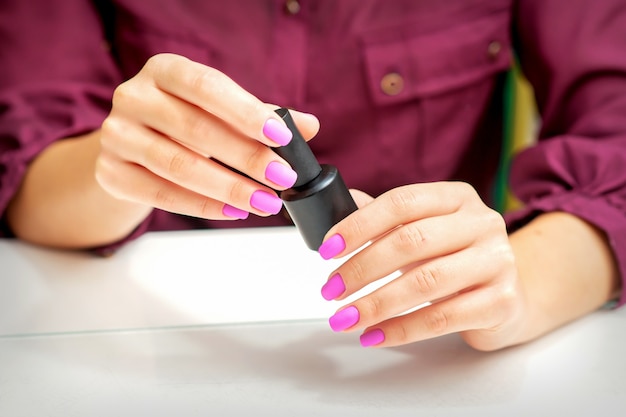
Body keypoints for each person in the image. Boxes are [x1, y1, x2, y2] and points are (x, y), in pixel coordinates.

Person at [1, 0, 624, 352]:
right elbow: (29, 172)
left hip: (421, 356)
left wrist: (519, 290)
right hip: (137, 339)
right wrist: (113, 166)